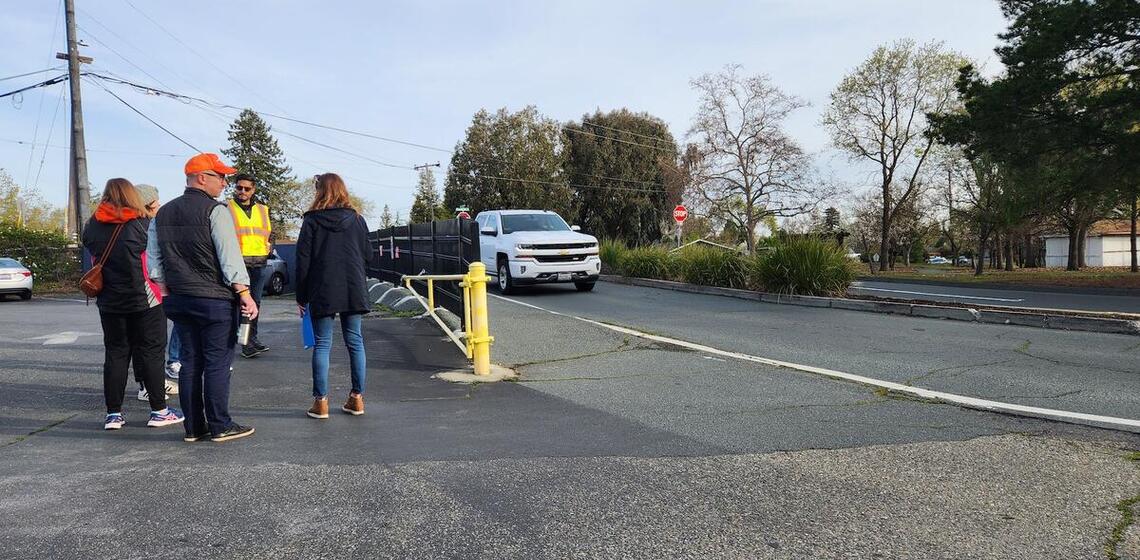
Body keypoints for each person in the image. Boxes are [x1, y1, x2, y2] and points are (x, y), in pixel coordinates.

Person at [148, 153, 258, 443]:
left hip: (178, 298)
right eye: (220, 177)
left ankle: (194, 427)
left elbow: (154, 260)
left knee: (190, 361)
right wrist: (244, 293)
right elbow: (229, 256)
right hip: (214, 300)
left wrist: (165, 288)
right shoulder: (216, 211)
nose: (225, 183)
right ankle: (221, 424)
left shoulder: (163, 213)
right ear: (201, 177)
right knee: (217, 362)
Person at [82, 178, 184, 431]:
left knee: (115, 354)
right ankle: (159, 410)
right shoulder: (142, 224)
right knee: (150, 352)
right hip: (144, 299)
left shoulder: (93, 226)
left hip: (108, 300)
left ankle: (113, 415)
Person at [296, 173, 371, 419]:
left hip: (322, 288)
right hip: (352, 286)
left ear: (320, 191)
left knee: (322, 344)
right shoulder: (357, 220)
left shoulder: (311, 221)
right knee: (355, 341)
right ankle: (357, 399)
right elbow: (368, 254)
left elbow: (303, 261)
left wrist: (301, 296)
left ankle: (321, 403)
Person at [129, 184, 179, 403]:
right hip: (148, 292)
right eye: (155, 204)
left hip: (132, 294)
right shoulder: (144, 228)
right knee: (153, 343)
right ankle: (150, 387)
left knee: (139, 343)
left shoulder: (124, 225)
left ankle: (147, 384)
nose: (159, 208)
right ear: (145, 205)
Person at [227, 173, 272, 359]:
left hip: (260, 262)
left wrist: (270, 247)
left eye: (247, 188)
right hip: (239, 263)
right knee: (242, 305)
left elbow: (269, 233)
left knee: (256, 304)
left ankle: (252, 339)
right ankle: (245, 343)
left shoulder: (263, 209)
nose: (242, 191)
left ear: (253, 190)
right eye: (239, 187)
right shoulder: (226, 208)